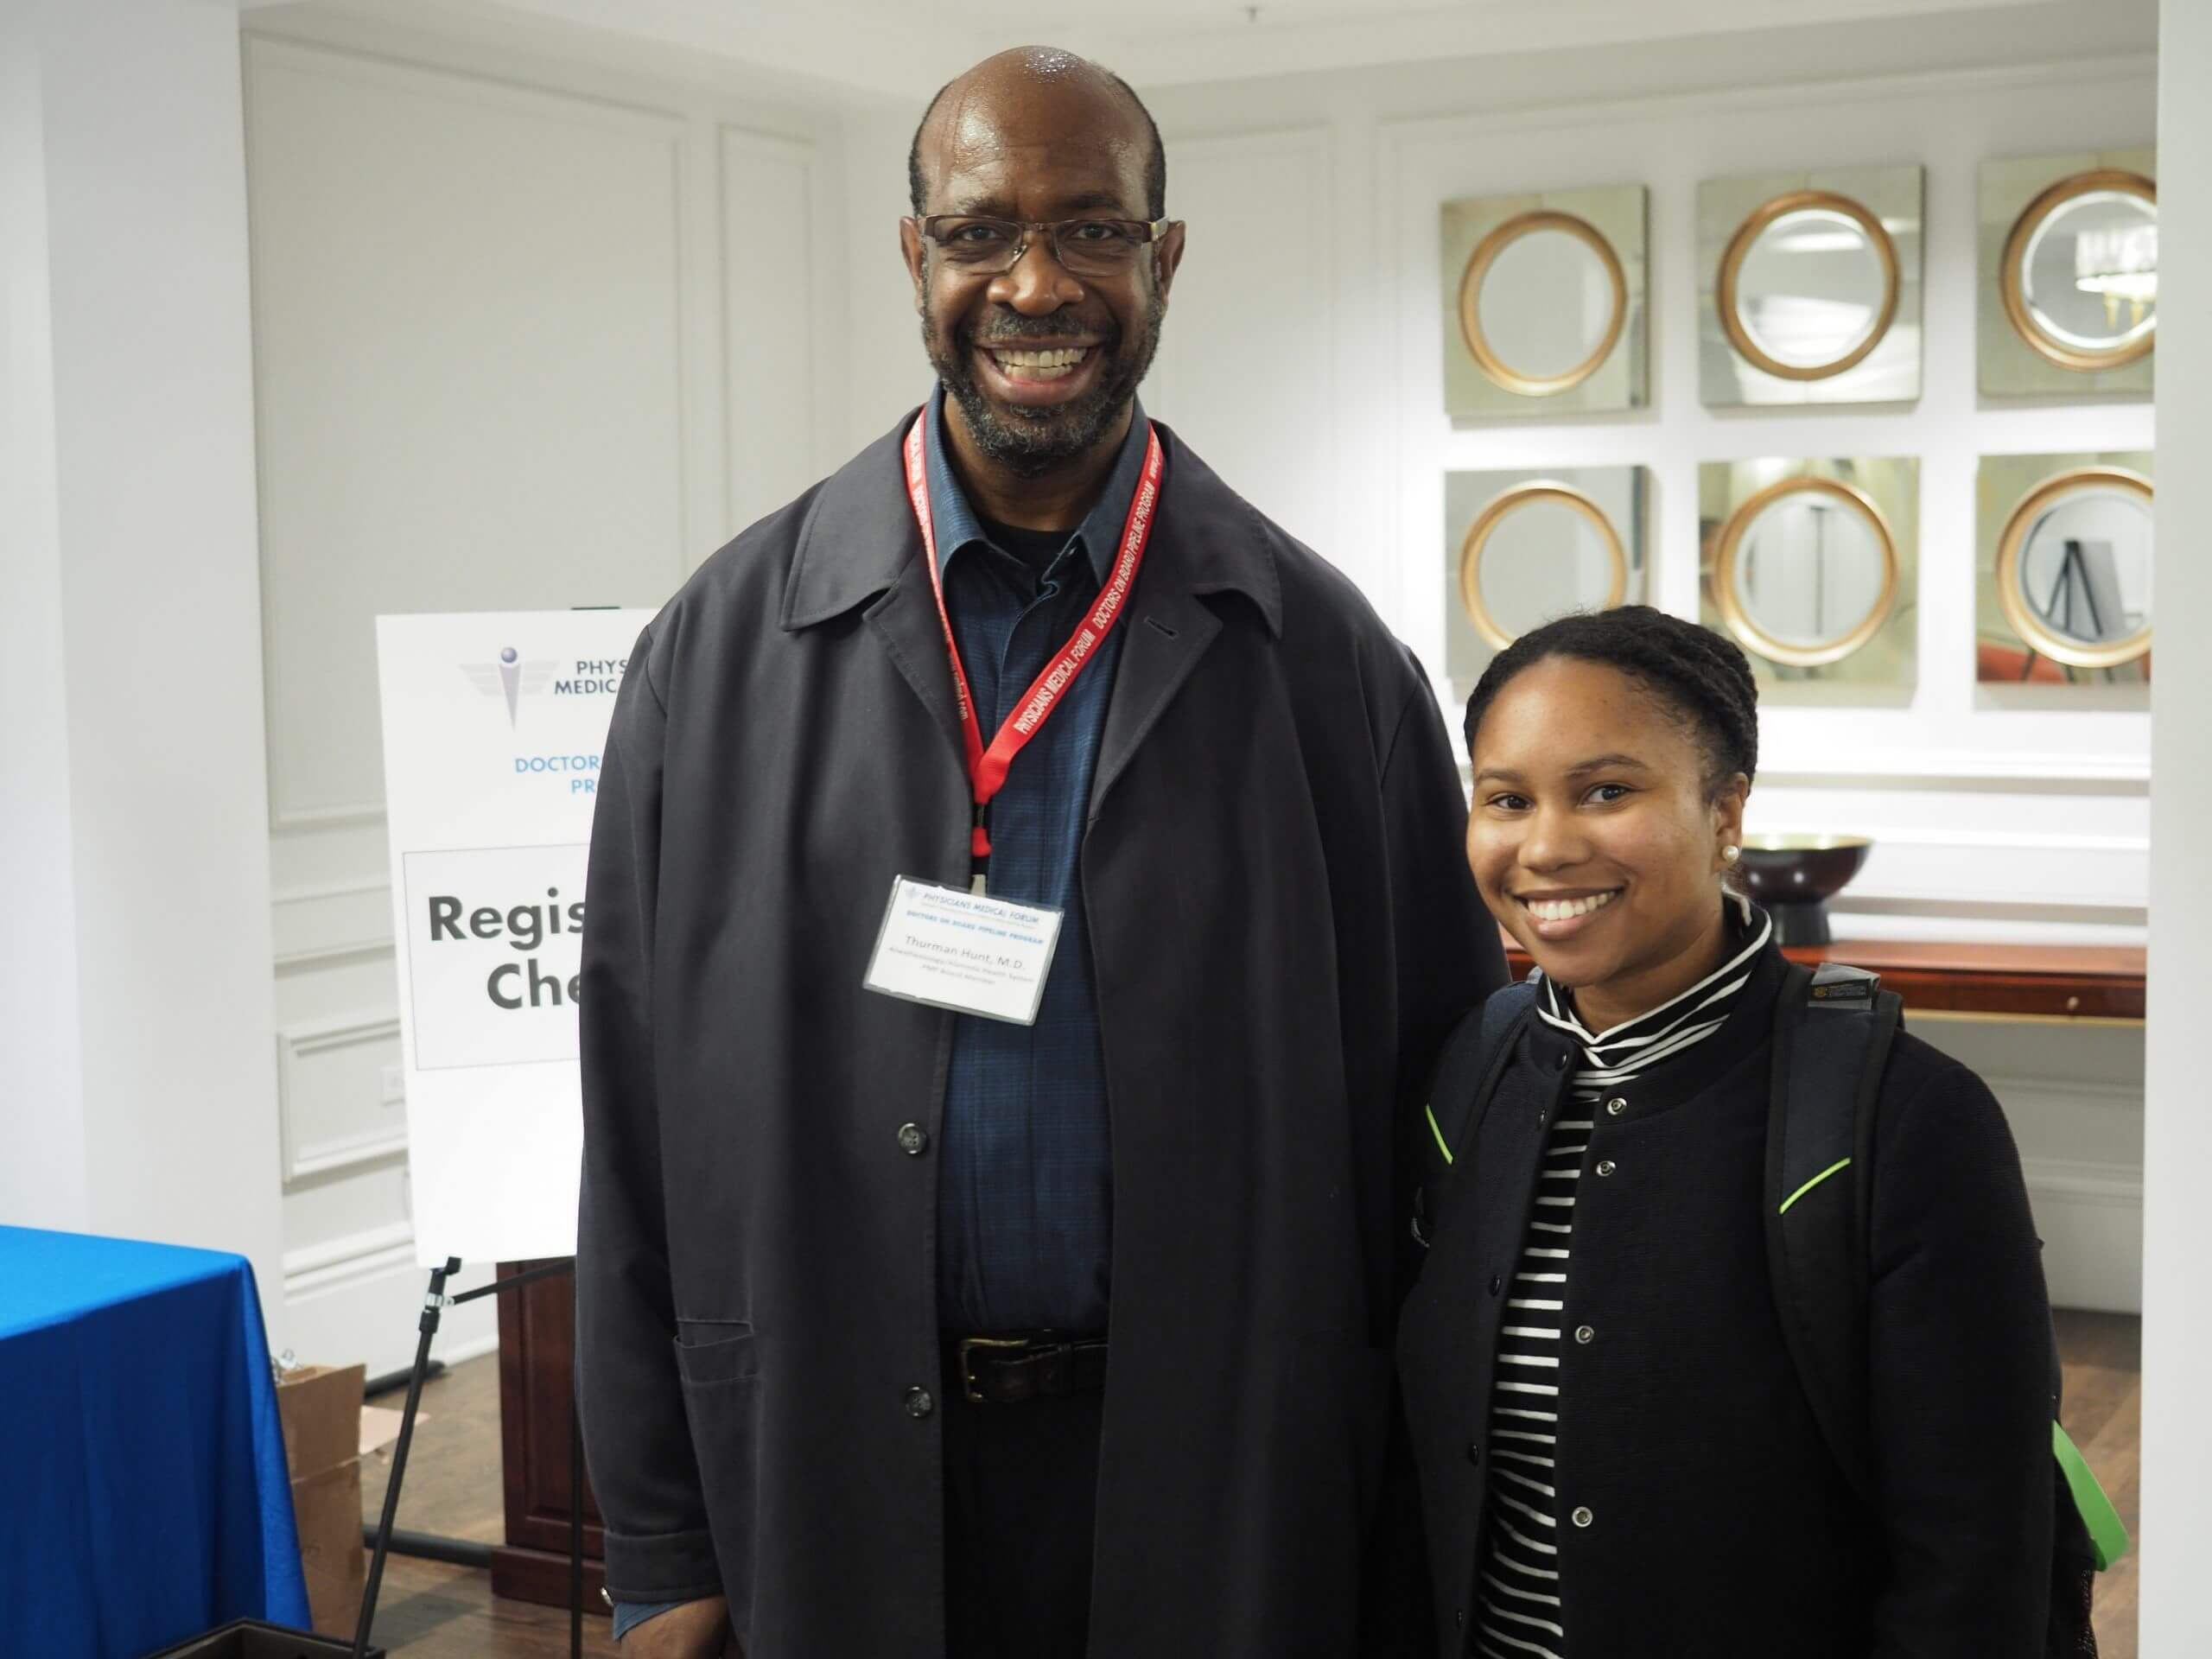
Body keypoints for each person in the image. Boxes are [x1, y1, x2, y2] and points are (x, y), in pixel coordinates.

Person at [575, 43, 1503, 1659]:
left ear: (1165, 258)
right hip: (827, 1464)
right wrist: (659, 1539)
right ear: (915, 256)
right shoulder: (714, 656)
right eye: (980, 232)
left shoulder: (1327, 664)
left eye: (1092, 229)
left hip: (1223, 1482)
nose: (1035, 283)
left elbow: (1441, 1137)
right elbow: (633, 1125)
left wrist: (1403, 1537)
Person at [1396, 607, 2059, 1657]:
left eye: (1606, 791)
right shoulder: (1471, 1071)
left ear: (1724, 811)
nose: (1546, 846)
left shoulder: (1906, 1118)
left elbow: (1975, 1562)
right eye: (1506, 799)